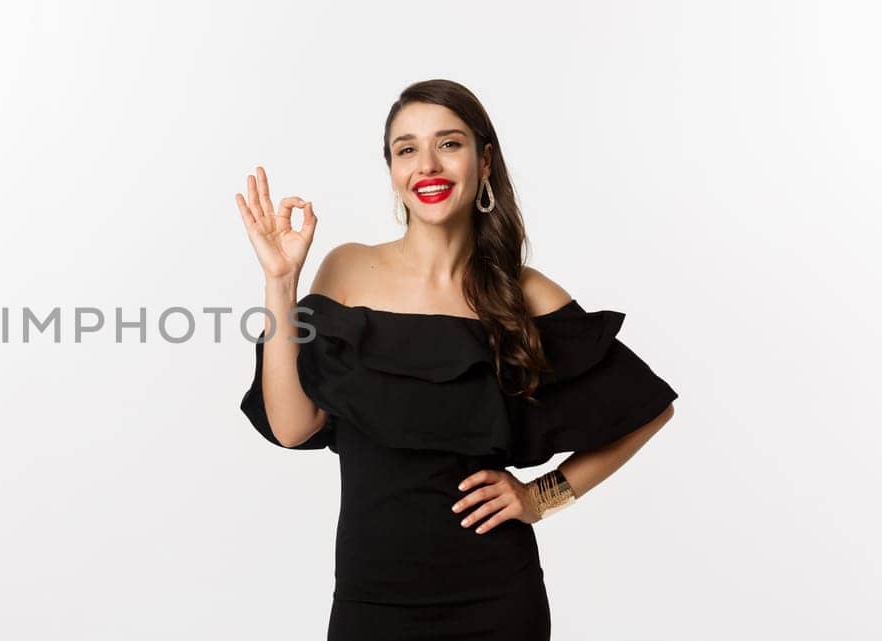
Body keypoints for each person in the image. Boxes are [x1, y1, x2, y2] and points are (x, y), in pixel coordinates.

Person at [234, 79, 679, 640]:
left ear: (484, 160)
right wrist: (281, 283)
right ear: (393, 170)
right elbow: (293, 427)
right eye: (406, 149)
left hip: (496, 599)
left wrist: (541, 496)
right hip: (372, 600)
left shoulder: (526, 294)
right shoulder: (345, 270)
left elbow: (647, 408)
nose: (427, 165)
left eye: (448, 144)